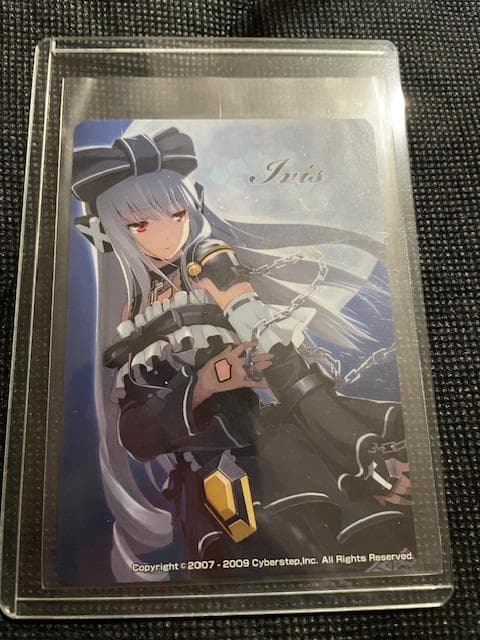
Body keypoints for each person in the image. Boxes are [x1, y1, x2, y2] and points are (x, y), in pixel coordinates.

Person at [72, 127, 413, 581]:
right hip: (211, 491)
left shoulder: (217, 278)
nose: (168, 235)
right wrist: (203, 385)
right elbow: (137, 438)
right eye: (141, 225)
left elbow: (289, 372)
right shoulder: (131, 324)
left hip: (282, 456)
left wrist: (362, 457)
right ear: (111, 231)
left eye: (177, 214)